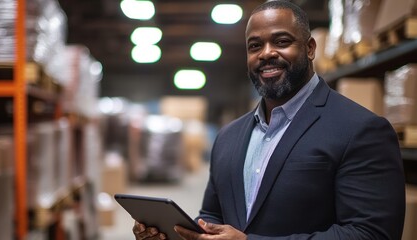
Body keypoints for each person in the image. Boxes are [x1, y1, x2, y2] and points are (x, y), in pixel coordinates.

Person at [132, 1, 406, 239]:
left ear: (310, 48)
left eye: (281, 41)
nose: (266, 53)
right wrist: (178, 233)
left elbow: (370, 233)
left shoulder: (361, 129)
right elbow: (213, 214)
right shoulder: (229, 136)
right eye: (255, 45)